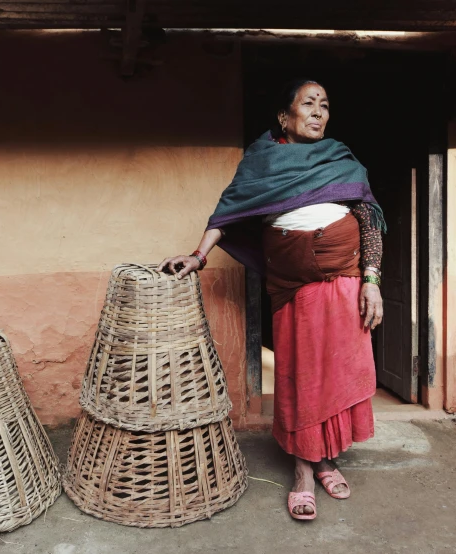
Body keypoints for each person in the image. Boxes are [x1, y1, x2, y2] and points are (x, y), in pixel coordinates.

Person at [158, 78, 385, 521]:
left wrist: (372, 280)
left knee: (337, 371)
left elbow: (369, 218)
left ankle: (326, 459)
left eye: (324, 105)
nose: (318, 112)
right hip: (293, 286)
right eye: (308, 104)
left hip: (344, 280)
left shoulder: (342, 159)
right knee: (301, 374)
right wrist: (198, 256)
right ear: (286, 117)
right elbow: (230, 208)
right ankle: (303, 469)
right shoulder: (261, 161)